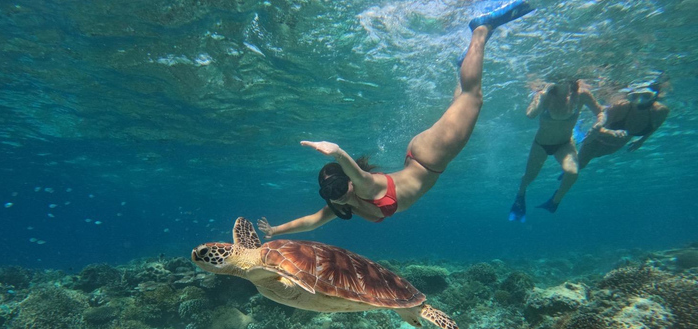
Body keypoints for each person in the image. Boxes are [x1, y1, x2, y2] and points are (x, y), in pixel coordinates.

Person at [257, 0, 536, 239]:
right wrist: (275, 231)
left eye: (339, 186)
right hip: (422, 157)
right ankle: (463, 62)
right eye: (330, 191)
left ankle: (481, 29)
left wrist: (338, 152)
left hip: (429, 158)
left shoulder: (365, 184)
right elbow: (311, 221)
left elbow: (353, 171)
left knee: (472, 97)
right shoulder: (348, 203)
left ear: (350, 181)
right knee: (460, 102)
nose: (337, 194)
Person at [507, 79, 606, 222]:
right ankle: (520, 197)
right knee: (529, 177)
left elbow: (601, 112)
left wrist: (599, 125)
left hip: (564, 143)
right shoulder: (545, 95)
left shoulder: (582, 95)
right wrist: (543, 94)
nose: (560, 79)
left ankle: (554, 202)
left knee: (573, 172)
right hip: (541, 144)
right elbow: (530, 114)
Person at [576, 80, 669, 170]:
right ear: (629, 97)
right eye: (634, 97)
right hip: (593, 143)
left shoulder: (660, 111)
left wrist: (641, 141)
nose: (640, 101)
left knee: (580, 165)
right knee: (579, 165)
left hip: (613, 149)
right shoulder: (620, 107)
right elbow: (596, 129)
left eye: (646, 96)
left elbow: (655, 126)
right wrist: (611, 133)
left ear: (655, 96)